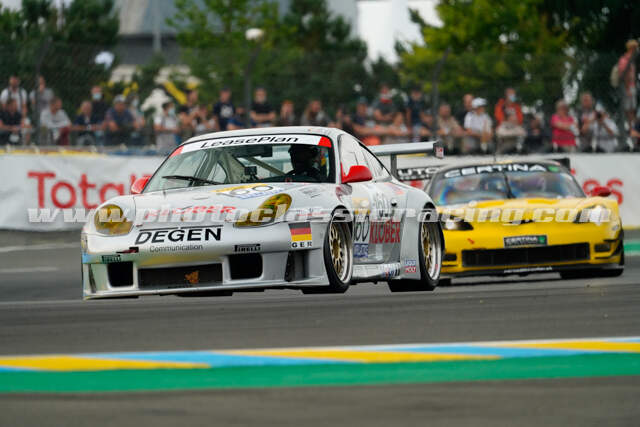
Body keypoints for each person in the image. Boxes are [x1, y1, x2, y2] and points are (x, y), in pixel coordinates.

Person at [617, 39, 638, 130]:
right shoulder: (624, 59)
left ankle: (633, 127)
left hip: (632, 85)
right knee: (628, 108)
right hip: (627, 86)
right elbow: (624, 75)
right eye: (635, 48)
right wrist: (628, 88)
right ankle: (631, 128)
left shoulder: (632, 59)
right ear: (632, 48)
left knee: (632, 108)